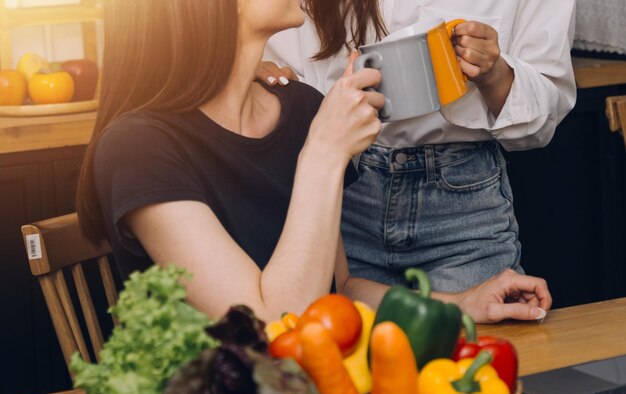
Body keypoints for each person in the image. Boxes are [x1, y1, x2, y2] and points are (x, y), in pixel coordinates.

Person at [76, 0, 551, 325]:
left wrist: (461, 306)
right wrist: (324, 153)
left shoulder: (299, 106)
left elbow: (338, 295)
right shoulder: (138, 146)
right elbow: (270, 327)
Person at [261, 0, 576, 292]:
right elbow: (270, 59)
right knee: (342, 343)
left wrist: (494, 73)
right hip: (340, 192)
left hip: (462, 206)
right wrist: (269, 83)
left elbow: (544, 119)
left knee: (476, 345)